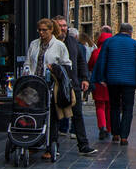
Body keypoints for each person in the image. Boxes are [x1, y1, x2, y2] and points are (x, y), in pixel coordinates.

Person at [24, 18, 74, 159]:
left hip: (51, 85)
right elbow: (28, 61)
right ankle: (33, 142)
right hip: (34, 84)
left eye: (44, 30)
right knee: (33, 113)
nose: (41, 32)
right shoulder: (34, 44)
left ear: (51, 30)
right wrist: (27, 71)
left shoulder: (59, 45)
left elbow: (67, 65)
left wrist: (56, 70)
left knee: (51, 115)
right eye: (39, 30)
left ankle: (51, 144)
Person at [90, 22, 136, 144]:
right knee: (127, 108)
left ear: (119, 30)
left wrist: (101, 78)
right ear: (130, 32)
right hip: (129, 81)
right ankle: (124, 136)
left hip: (112, 79)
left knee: (114, 106)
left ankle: (115, 133)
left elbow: (102, 60)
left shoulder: (109, 42)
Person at [55, 17, 96, 155]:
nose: (63, 28)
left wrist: (85, 78)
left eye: (65, 25)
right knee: (55, 115)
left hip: (73, 83)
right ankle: (53, 146)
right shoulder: (52, 43)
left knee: (77, 114)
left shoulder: (72, 42)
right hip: (57, 84)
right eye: (60, 26)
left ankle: (83, 145)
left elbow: (81, 61)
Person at [87, 26, 113, 141]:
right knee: (109, 106)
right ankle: (109, 127)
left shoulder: (96, 52)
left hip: (98, 82)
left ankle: (102, 126)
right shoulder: (113, 51)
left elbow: (90, 66)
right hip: (111, 81)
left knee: (100, 106)